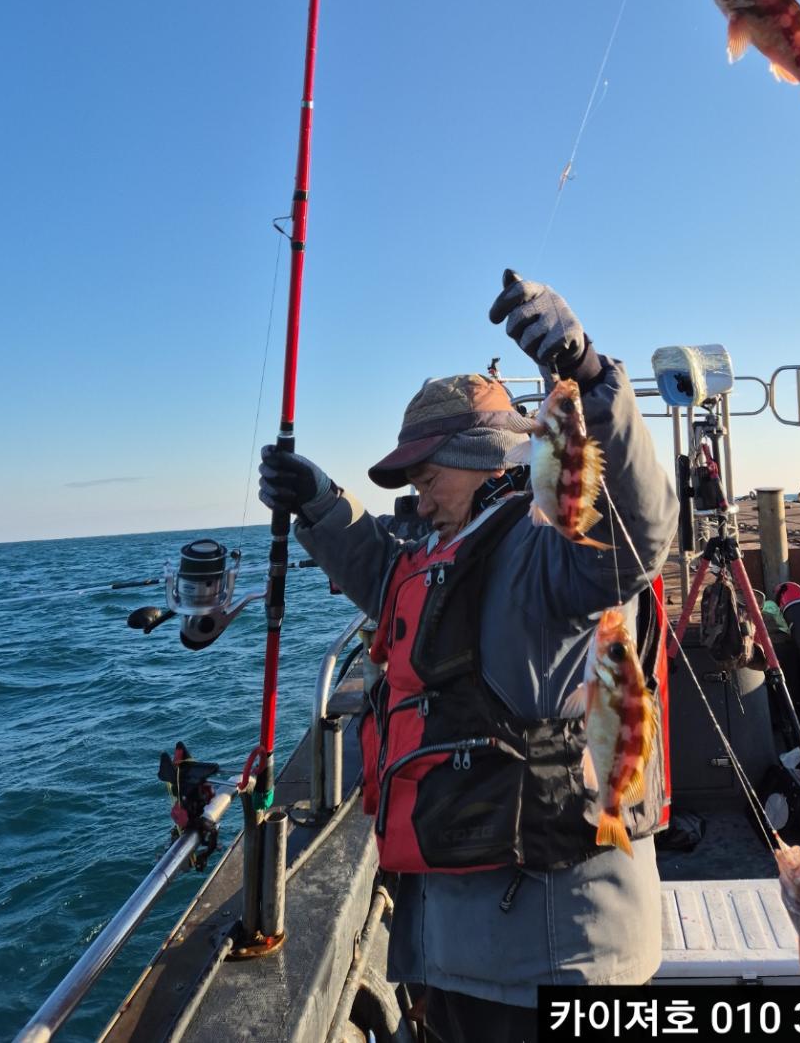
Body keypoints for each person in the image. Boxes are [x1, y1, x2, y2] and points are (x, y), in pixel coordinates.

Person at [259, 270, 678, 1043]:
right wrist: (317, 500)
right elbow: (386, 570)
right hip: (454, 954)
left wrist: (589, 375)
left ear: (486, 454)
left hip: (557, 961)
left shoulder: (551, 545)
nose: (415, 495)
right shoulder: (447, 549)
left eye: (426, 473)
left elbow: (641, 532)